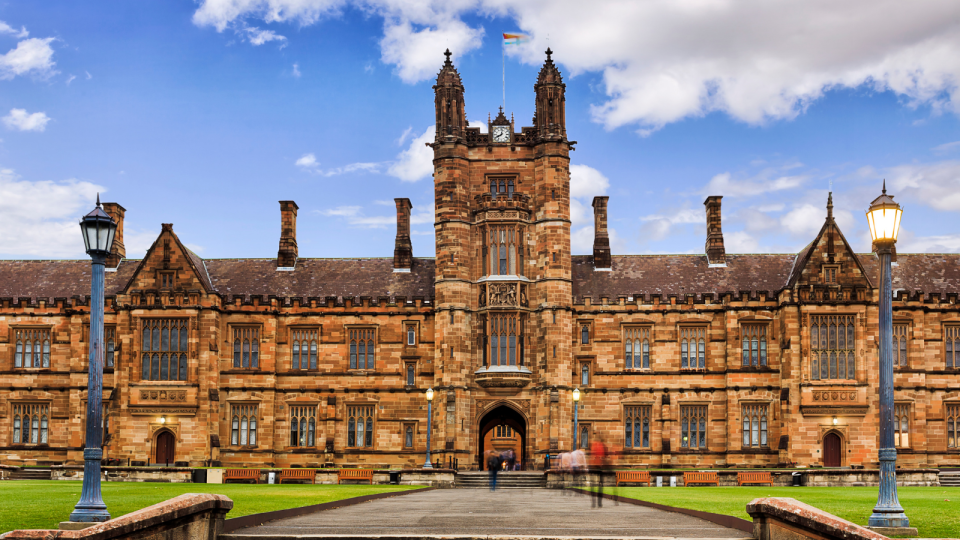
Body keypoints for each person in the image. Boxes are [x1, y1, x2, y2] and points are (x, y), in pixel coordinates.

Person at [590, 439, 607, 508]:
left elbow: (592, 456)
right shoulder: (602, 446)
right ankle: (599, 503)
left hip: (595, 468)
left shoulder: (594, 445)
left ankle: (594, 503)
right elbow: (604, 456)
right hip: (599, 468)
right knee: (599, 485)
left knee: (593, 485)